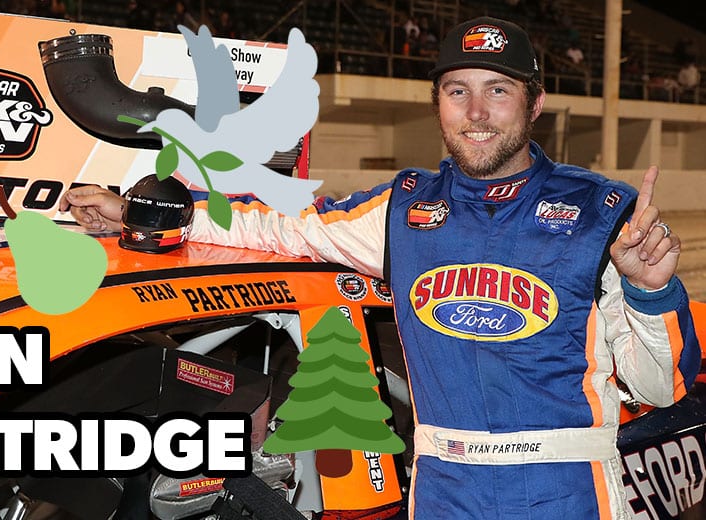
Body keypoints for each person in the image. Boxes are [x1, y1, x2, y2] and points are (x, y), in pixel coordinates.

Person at [59, 16, 701, 519]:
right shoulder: (401, 209)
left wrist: (651, 292)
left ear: (534, 105)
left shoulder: (602, 214)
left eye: (498, 91)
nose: (476, 112)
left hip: (567, 488)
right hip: (443, 488)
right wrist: (148, 214)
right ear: (438, 103)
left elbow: (657, 388)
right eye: (458, 91)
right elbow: (279, 225)